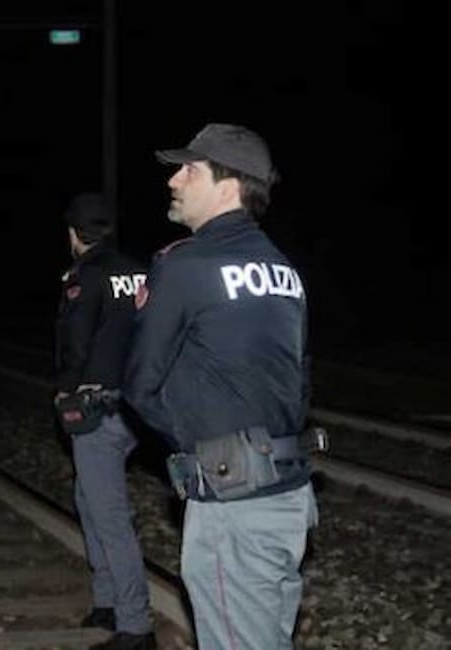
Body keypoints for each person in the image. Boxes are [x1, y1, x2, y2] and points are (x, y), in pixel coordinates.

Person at [124, 123, 318, 649]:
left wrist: (201, 453)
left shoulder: (187, 265)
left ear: (228, 185)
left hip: (233, 504)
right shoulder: (284, 269)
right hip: (288, 494)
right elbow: (298, 385)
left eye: (189, 169)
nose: (174, 180)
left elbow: (140, 385)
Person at [53, 193, 154, 650]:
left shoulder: (84, 274)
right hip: (134, 404)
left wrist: (66, 388)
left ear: (74, 233)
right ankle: (107, 600)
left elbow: (75, 340)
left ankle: (134, 625)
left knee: (108, 514)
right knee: (89, 499)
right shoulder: (140, 269)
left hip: (96, 405)